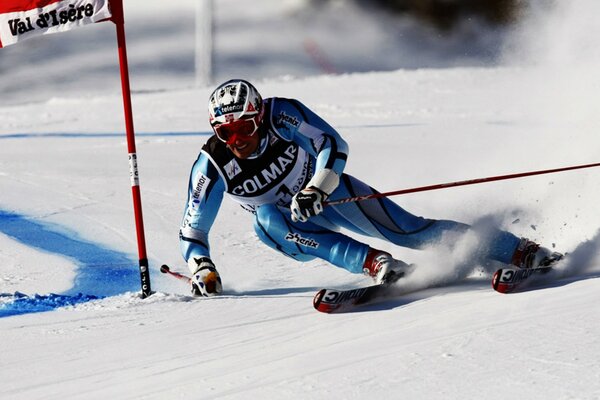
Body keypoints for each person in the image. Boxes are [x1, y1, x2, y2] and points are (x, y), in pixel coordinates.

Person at [179, 79, 561, 297]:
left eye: (244, 127)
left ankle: (519, 250)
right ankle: (375, 264)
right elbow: (192, 231)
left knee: (411, 231)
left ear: (259, 117)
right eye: (224, 132)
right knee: (265, 220)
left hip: (326, 194)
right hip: (292, 229)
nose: (237, 139)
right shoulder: (212, 165)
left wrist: (318, 187)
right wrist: (202, 268)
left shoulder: (282, 114)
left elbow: (331, 144)